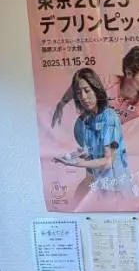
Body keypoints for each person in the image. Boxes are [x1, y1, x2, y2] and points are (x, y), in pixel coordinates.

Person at [51, 45, 139, 157]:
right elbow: (80, 84)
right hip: (84, 127)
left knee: (106, 163)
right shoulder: (108, 82)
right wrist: (62, 103)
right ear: (129, 73)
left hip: (106, 137)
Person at [53, 68, 129, 204]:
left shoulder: (109, 117)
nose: (83, 97)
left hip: (116, 189)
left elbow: (108, 161)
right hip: (99, 186)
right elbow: (93, 155)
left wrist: (79, 163)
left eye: (87, 90)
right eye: (79, 93)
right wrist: (76, 157)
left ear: (96, 89)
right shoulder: (86, 120)